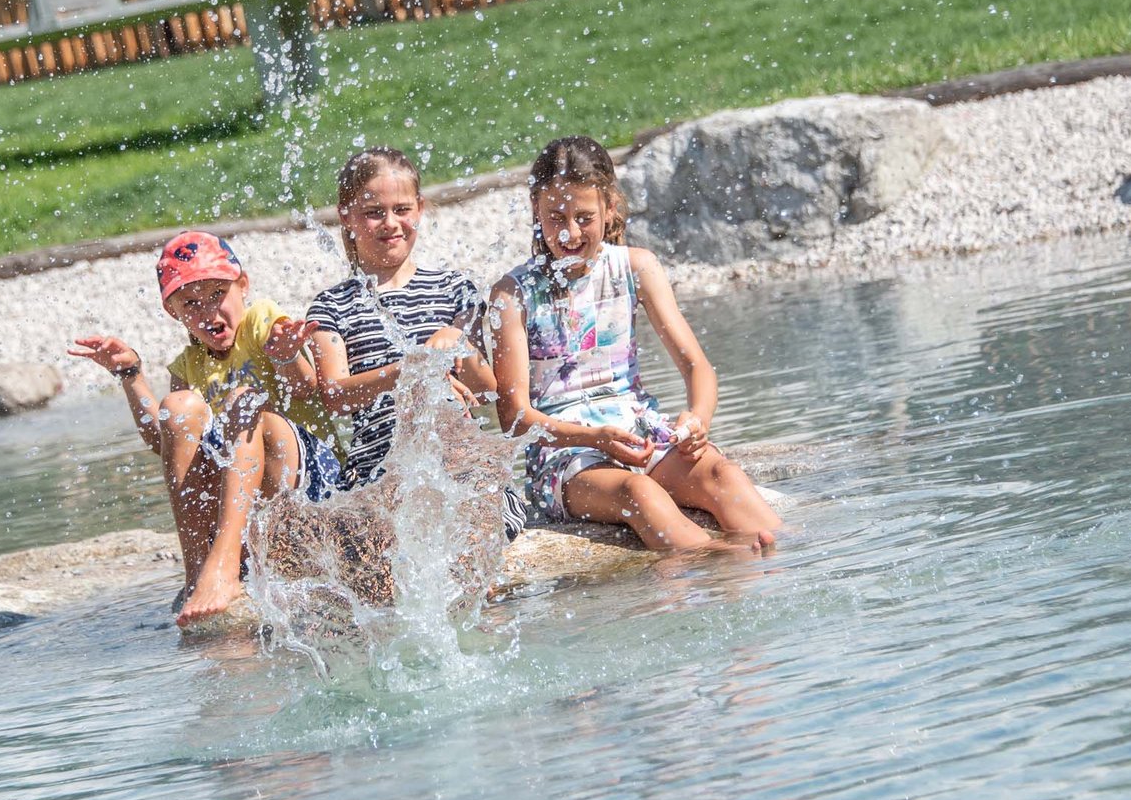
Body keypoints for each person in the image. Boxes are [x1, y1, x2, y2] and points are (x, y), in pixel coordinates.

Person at [488, 135, 783, 552]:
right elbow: (515, 419)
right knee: (639, 494)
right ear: (536, 210)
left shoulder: (635, 267)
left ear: (609, 207)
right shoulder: (512, 294)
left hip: (641, 435)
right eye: (555, 217)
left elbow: (697, 368)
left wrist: (696, 421)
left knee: (725, 476)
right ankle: (719, 558)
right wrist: (595, 439)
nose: (570, 232)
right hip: (567, 458)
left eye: (584, 217)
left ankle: (789, 555)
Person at [70, 231, 341, 626]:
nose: (208, 311)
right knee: (178, 407)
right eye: (191, 304)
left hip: (307, 477)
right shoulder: (187, 365)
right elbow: (164, 442)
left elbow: (305, 388)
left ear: (242, 286)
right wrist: (131, 375)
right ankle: (199, 571)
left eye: (217, 294)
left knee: (243, 401)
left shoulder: (261, 320)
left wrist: (285, 358)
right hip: (250, 498)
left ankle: (229, 562)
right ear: (173, 313)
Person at [305, 147, 527, 538]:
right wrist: (410, 370)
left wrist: (458, 340)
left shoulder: (455, 290)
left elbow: (487, 390)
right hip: (379, 466)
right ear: (347, 216)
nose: (390, 223)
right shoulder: (332, 305)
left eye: (402, 209)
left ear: (420, 208)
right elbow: (336, 395)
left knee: (473, 509)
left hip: (456, 460)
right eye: (374, 212)